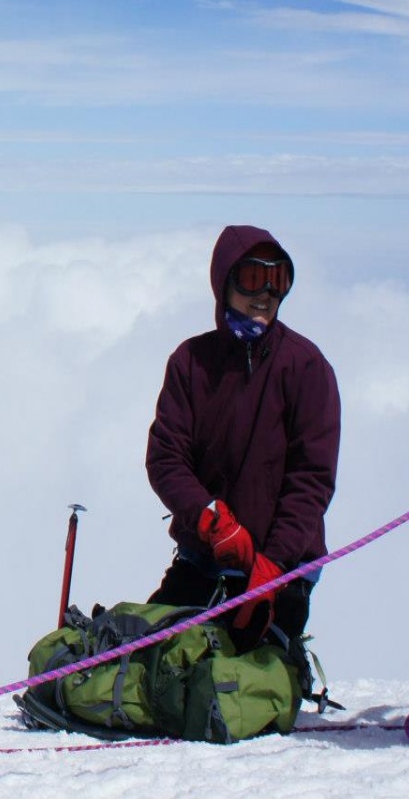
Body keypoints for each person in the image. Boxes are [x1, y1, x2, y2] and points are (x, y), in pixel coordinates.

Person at [144, 227, 341, 661]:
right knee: (149, 660)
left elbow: (311, 480)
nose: (266, 293)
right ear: (225, 281)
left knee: (231, 684)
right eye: (253, 278)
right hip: (202, 561)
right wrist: (210, 519)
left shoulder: (306, 368)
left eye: (279, 280)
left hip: (282, 573)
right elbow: (166, 457)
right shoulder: (191, 363)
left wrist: (273, 564)